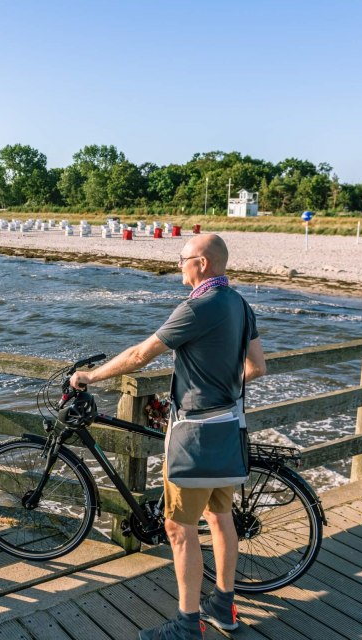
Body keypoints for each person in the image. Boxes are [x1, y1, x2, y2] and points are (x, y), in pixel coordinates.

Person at [71, 233, 266, 640]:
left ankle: (186, 624)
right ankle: (223, 607)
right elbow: (257, 367)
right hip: (228, 427)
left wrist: (90, 375)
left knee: (179, 529)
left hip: (195, 435)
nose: (179, 264)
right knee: (220, 517)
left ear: (203, 264)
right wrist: (221, 387)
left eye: (183, 258)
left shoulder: (198, 306)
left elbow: (141, 355)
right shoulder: (239, 304)